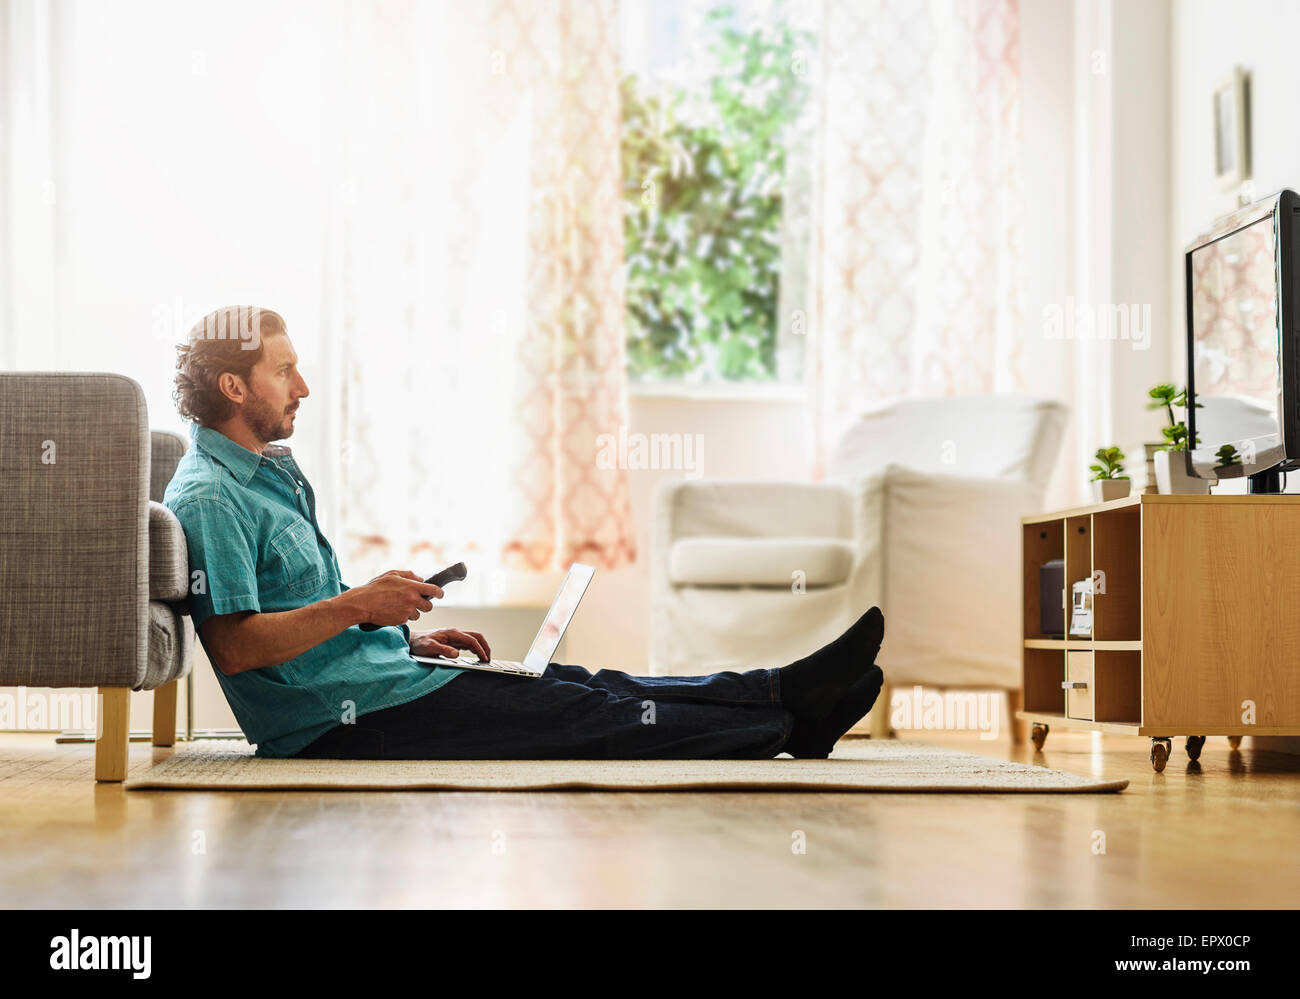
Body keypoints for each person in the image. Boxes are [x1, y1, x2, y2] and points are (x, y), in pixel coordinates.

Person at [163, 306, 885, 761]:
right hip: (335, 722)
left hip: (378, 677)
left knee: (582, 681)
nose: (303, 387)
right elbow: (236, 644)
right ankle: (787, 725)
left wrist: (395, 637)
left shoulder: (267, 473)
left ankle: (780, 694)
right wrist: (360, 606)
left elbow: (298, 620)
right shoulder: (211, 494)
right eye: (285, 370)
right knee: (583, 715)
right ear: (234, 387)